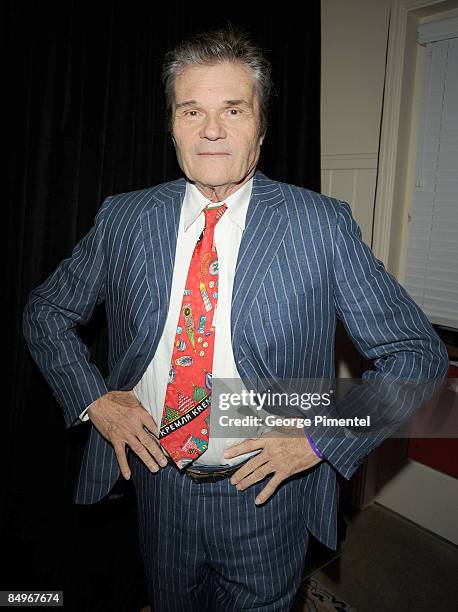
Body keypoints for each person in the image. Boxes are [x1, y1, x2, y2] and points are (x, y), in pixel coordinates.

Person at [23, 27, 448, 611]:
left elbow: (416, 355)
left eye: (233, 109)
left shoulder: (319, 224)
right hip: (158, 486)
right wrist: (95, 398)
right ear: (172, 125)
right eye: (191, 110)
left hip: (264, 497)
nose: (212, 129)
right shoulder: (124, 218)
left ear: (261, 126)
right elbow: (46, 312)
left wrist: (320, 438)